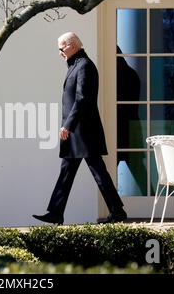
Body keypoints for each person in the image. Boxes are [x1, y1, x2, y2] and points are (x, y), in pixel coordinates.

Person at [32, 32, 127, 225]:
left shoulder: (84, 66)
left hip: (83, 131)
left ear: (72, 45)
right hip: (77, 132)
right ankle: (55, 212)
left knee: (98, 172)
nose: (59, 52)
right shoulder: (76, 65)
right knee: (67, 172)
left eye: (61, 48)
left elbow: (83, 98)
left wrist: (68, 125)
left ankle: (117, 211)